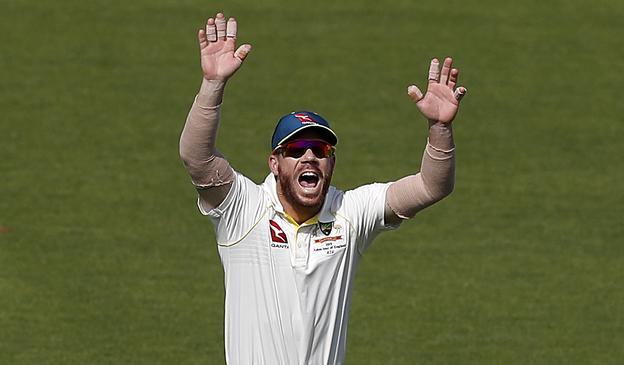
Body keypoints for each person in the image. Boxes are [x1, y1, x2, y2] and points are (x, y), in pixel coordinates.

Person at [179, 11, 467, 365]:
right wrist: (212, 85)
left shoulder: (350, 213)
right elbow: (197, 159)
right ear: (275, 162)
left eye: (322, 149)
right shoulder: (244, 209)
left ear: (332, 161)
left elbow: (431, 186)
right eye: (297, 150)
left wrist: (439, 128)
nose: (311, 157)